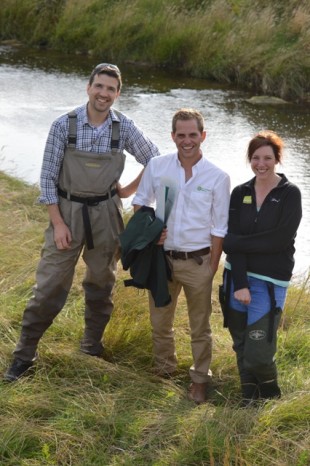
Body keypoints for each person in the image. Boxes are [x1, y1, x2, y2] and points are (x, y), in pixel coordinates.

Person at [4, 63, 160, 382]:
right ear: (88, 87)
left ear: (118, 94)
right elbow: (47, 178)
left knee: (101, 283)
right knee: (49, 286)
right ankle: (23, 356)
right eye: (99, 86)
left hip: (106, 214)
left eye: (110, 89)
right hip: (68, 212)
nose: (104, 94)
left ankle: (91, 346)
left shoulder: (124, 127)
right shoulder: (65, 125)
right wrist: (58, 223)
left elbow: (155, 159)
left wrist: (128, 190)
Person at [132, 108, 230, 404]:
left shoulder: (217, 176)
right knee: (160, 321)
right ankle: (164, 371)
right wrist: (150, 228)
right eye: (181, 135)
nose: (187, 141)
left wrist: (211, 267)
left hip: (199, 262)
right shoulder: (158, 166)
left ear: (203, 135)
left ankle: (199, 379)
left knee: (200, 327)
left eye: (193, 135)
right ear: (172, 136)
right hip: (161, 260)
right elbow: (139, 202)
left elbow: (220, 226)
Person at [222, 130, 302, 405]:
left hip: (269, 282)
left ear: (277, 159)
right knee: (242, 346)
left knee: (259, 352)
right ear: (250, 159)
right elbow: (230, 244)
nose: (261, 163)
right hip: (236, 278)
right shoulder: (239, 192)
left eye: (267, 157)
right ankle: (248, 399)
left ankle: (270, 399)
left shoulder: (290, 194)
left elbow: (279, 240)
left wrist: (239, 242)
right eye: (255, 157)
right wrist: (241, 283)